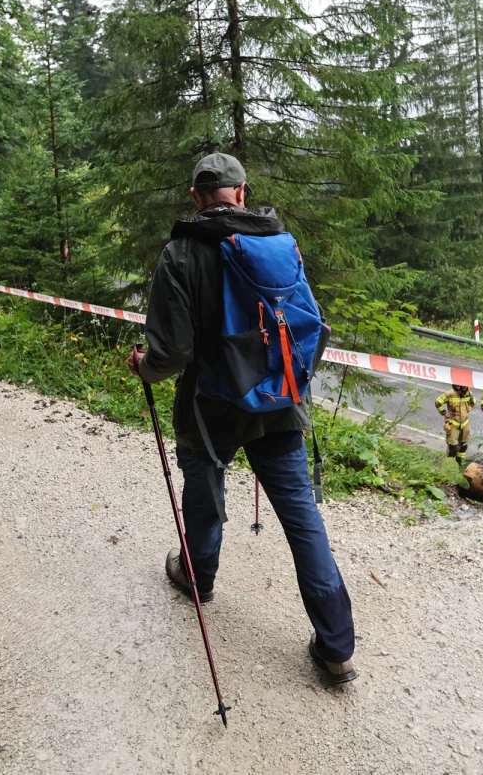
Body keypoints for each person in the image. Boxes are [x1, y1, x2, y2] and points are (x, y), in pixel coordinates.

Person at [126, 152, 356, 684]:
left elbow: (172, 353)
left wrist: (145, 367)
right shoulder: (280, 244)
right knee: (302, 519)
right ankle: (338, 647)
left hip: (213, 405)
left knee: (205, 494)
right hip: (280, 401)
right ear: (242, 192)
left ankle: (198, 576)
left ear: (196, 197)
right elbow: (310, 326)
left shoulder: (181, 252)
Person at [435, 383, 475, 464]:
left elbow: (473, 402)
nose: (465, 387)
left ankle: (459, 462)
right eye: (463, 385)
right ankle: (449, 465)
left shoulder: (469, 393)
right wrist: (444, 412)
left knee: (464, 444)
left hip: (465, 424)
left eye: (466, 385)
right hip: (453, 424)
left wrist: (467, 411)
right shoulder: (450, 394)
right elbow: (438, 402)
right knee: (453, 447)